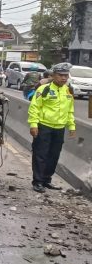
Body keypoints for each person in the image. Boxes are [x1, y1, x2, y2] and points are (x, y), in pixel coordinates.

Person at [28, 62, 76, 193]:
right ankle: (37, 182)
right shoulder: (44, 89)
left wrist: (71, 126)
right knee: (40, 155)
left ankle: (46, 180)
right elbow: (34, 107)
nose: (64, 78)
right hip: (44, 126)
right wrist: (33, 125)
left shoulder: (68, 90)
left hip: (59, 128)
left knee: (53, 156)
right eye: (61, 75)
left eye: (66, 75)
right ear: (53, 75)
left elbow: (70, 110)